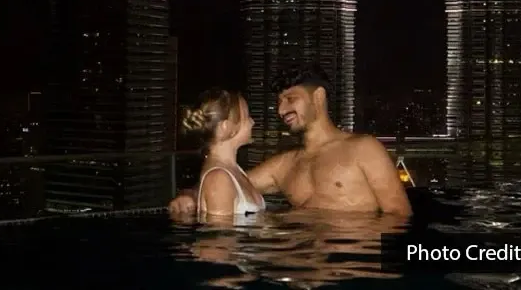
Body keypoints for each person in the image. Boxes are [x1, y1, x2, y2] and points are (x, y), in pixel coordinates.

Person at [170, 65, 412, 217]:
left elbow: (399, 216)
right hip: (298, 264)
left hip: (350, 269)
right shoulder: (283, 165)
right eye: (279, 101)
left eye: (290, 99)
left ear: (318, 97)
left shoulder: (364, 149)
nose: (281, 110)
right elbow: (228, 183)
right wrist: (190, 196)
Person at [182, 88, 266, 219]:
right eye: (247, 117)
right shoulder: (218, 179)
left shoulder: (235, 171)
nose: (252, 122)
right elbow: (221, 237)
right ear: (226, 128)